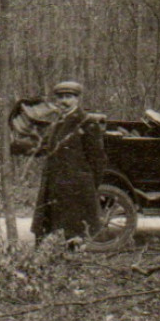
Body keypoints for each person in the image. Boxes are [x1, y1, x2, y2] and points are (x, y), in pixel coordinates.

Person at [30, 80, 108, 246]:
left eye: (68, 97)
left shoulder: (87, 123)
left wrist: (87, 186)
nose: (64, 101)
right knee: (50, 234)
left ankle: (73, 267)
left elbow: (97, 160)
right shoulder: (57, 123)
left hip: (76, 191)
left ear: (77, 100)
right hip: (55, 188)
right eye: (60, 98)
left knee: (74, 238)